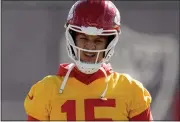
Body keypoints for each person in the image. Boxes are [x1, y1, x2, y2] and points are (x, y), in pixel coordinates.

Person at [24, 0, 153, 121]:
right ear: (72, 38)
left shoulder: (131, 90)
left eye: (98, 40)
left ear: (109, 43)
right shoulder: (46, 90)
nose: (90, 47)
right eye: (84, 38)